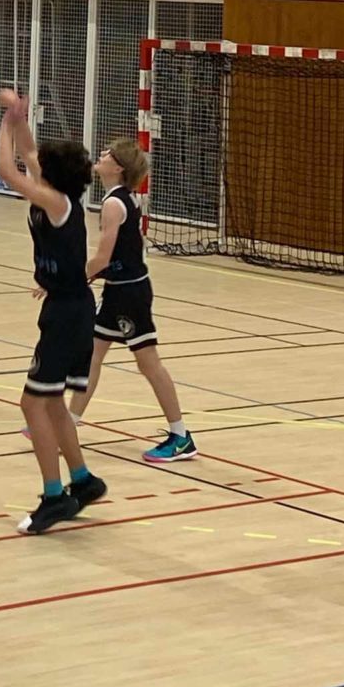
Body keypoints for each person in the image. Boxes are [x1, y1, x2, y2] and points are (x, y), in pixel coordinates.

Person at [0, 90, 106, 534]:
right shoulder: (54, 193)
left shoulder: (57, 204)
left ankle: (54, 496)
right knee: (53, 401)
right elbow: (26, 151)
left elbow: (7, 170)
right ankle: (83, 480)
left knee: (32, 403)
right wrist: (19, 115)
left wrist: (5, 122)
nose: (35, 160)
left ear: (53, 173)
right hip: (66, 306)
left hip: (68, 314)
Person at [69, 140, 197, 463]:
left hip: (130, 294)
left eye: (107, 154)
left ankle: (181, 436)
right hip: (117, 290)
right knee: (91, 355)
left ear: (118, 167)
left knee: (148, 363)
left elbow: (102, 257)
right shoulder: (122, 198)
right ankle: (68, 424)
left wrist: (69, 281)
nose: (101, 156)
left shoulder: (115, 204)